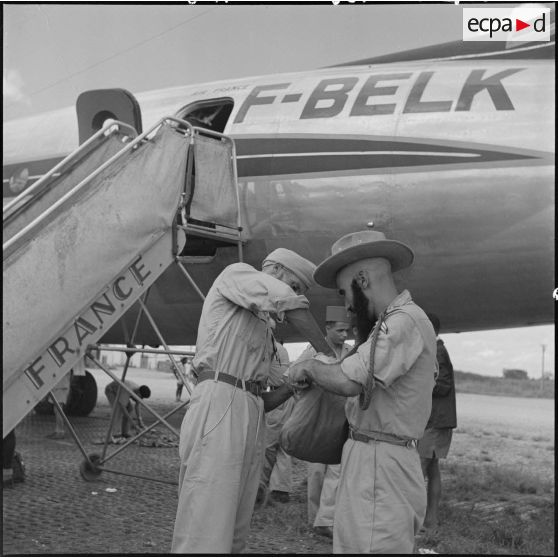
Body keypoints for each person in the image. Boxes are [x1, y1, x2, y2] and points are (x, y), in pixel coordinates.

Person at [171, 248, 333, 554]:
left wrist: (296, 383)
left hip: (249, 412)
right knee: (207, 517)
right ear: (275, 271)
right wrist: (328, 354)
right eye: (295, 285)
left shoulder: (263, 326)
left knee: (236, 522)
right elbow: (290, 302)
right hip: (219, 403)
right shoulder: (237, 275)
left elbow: (261, 397)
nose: (294, 294)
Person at [287, 229, 437, 554]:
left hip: (382, 464)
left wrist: (310, 368)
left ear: (363, 280)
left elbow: (348, 381)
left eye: (345, 294)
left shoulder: (403, 322)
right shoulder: (386, 324)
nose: (347, 307)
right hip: (370, 458)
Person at [301, 306, 352, 539]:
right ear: (328, 328)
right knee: (316, 473)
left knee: (337, 471)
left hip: (342, 421)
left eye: (347, 331)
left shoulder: (352, 352)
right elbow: (294, 374)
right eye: (340, 330)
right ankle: (315, 518)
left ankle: (325, 521)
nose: (344, 335)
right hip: (317, 419)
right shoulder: (313, 351)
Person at [418, 313, 457, 530]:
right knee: (432, 470)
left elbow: (442, 386)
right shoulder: (435, 350)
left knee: (419, 470)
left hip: (436, 422)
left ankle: (411, 522)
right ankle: (430, 521)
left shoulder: (437, 351)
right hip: (436, 421)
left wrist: (417, 384)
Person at [257, 333, 294, 506]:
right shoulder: (283, 349)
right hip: (287, 397)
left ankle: (260, 486)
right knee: (284, 447)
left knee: (268, 446)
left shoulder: (271, 349)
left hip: (276, 397)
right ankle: (281, 489)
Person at [47, 372, 71, 439]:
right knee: (57, 410)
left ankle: (60, 431)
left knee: (58, 410)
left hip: (61, 387)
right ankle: (58, 430)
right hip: (59, 386)